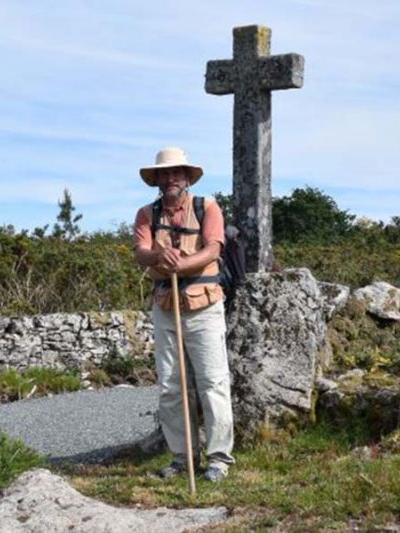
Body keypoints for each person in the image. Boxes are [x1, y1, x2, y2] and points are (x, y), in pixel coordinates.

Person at [132, 146, 235, 482]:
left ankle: (219, 459)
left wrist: (182, 264)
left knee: (212, 382)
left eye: (176, 172)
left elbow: (213, 249)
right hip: (166, 306)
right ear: (157, 179)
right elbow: (140, 252)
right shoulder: (146, 214)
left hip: (205, 306)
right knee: (171, 386)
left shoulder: (208, 208)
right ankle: (182, 457)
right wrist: (158, 256)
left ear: (187, 177)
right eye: (164, 173)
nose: (170, 178)